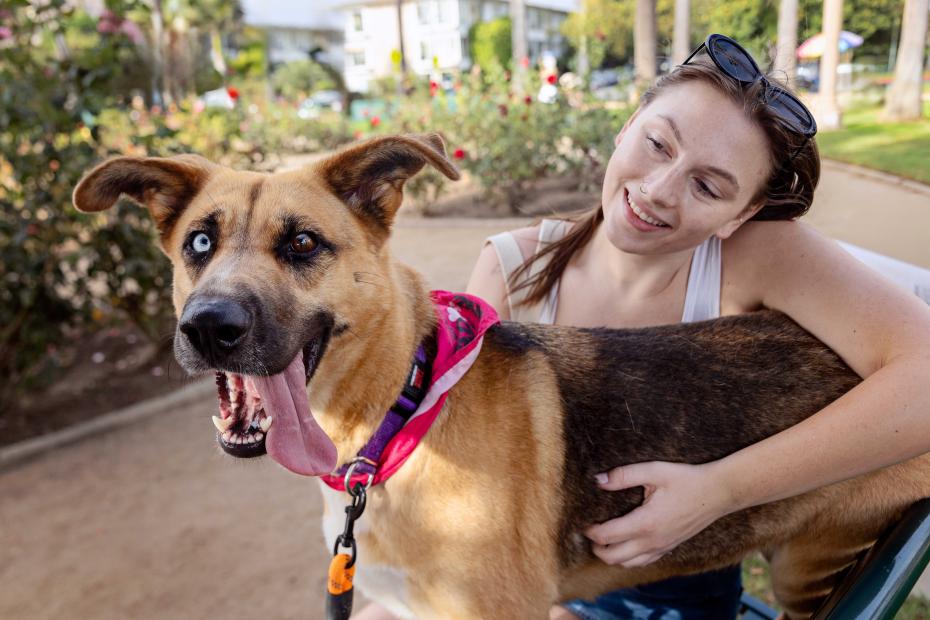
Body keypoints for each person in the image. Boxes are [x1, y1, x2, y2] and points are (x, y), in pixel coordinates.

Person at [355, 34, 930, 619]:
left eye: (708, 186)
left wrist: (721, 490)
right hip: (542, 569)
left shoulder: (759, 256)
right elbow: (465, 461)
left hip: (681, 592)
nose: (658, 190)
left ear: (743, 214)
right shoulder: (512, 266)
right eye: (658, 144)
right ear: (628, 125)